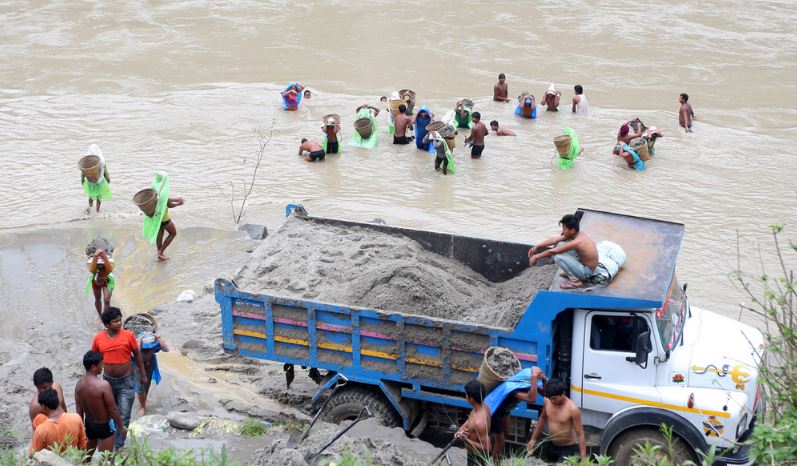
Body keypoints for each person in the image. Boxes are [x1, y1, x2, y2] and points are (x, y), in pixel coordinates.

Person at [91, 307, 146, 450]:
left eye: (120, 319)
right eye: (116, 321)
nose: (120, 323)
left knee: (124, 414)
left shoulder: (128, 336)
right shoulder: (98, 338)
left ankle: (119, 445)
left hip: (127, 381)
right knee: (110, 413)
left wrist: (143, 375)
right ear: (107, 324)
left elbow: (138, 355)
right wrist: (93, 380)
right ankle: (110, 441)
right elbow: (94, 359)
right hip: (107, 382)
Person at [490, 367, 546, 462]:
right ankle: (495, 462)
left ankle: (488, 447)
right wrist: (533, 377)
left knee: (505, 434)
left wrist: (544, 380)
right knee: (500, 442)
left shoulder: (526, 383)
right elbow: (532, 399)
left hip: (505, 412)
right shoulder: (513, 388)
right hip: (495, 414)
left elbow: (546, 393)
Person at [528, 213, 598, 289]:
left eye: (564, 229)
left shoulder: (578, 242)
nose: (563, 231)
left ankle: (576, 281)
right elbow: (555, 239)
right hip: (584, 265)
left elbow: (553, 252)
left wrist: (536, 257)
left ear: (572, 230)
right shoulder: (577, 234)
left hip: (586, 274)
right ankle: (573, 270)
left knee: (557, 257)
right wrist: (537, 246)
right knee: (561, 244)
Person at [75, 351, 125, 454]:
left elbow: (79, 411)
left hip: (89, 424)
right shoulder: (103, 385)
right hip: (104, 426)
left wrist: (81, 430)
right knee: (105, 459)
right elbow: (113, 409)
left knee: (86, 456)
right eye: (101, 364)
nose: (102, 367)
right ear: (94, 367)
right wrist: (121, 427)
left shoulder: (79, 385)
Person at [527, 380, 586, 463]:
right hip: (552, 444)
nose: (552, 401)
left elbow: (580, 433)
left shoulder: (572, 409)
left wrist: (583, 459)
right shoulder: (547, 401)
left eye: (554, 398)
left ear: (563, 393)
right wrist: (533, 440)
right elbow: (542, 419)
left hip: (567, 448)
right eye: (550, 398)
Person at [29, 388, 87, 455]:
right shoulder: (76, 418)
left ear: (44, 406)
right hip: (71, 459)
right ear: (57, 401)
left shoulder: (42, 429)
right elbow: (83, 445)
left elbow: (33, 454)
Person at [455, 380, 491, 466]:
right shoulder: (480, 407)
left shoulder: (480, 422)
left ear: (471, 399)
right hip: (472, 454)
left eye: (466, 395)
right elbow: (469, 420)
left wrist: (465, 439)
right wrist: (460, 430)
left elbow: (487, 447)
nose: (465, 396)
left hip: (477, 458)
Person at [135, 332, 169, 416]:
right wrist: (139, 341)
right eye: (145, 349)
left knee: (147, 383)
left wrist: (158, 338)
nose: (147, 350)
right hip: (138, 366)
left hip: (150, 364)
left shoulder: (154, 346)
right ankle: (142, 406)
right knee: (140, 388)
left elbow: (166, 349)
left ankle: (145, 398)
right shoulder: (137, 346)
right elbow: (136, 353)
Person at [81, 144, 111, 213]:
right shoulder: (102, 160)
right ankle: (97, 210)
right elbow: (105, 172)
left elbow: (83, 172)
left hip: (90, 182)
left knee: (91, 195)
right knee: (99, 196)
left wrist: (82, 180)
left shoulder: (87, 161)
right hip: (100, 182)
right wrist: (108, 179)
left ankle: (90, 207)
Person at [87, 248, 114, 317]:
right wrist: (96, 256)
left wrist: (104, 256)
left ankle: (105, 316)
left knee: (107, 300)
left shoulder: (108, 265)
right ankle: (99, 316)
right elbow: (92, 271)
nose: (101, 265)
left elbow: (110, 269)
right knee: (98, 298)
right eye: (99, 264)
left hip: (108, 281)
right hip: (96, 281)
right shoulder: (94, 266)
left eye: (102, 264)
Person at [156, 196, 184, 261]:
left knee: (160, 236)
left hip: (156, 218)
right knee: (173, 233)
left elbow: (167, 202)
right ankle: (160, 252)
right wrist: (178, 201)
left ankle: (160, 255)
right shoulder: (162, 192)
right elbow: (168, 202)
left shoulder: (153, 193)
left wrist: (176, 201)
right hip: (164, 218)